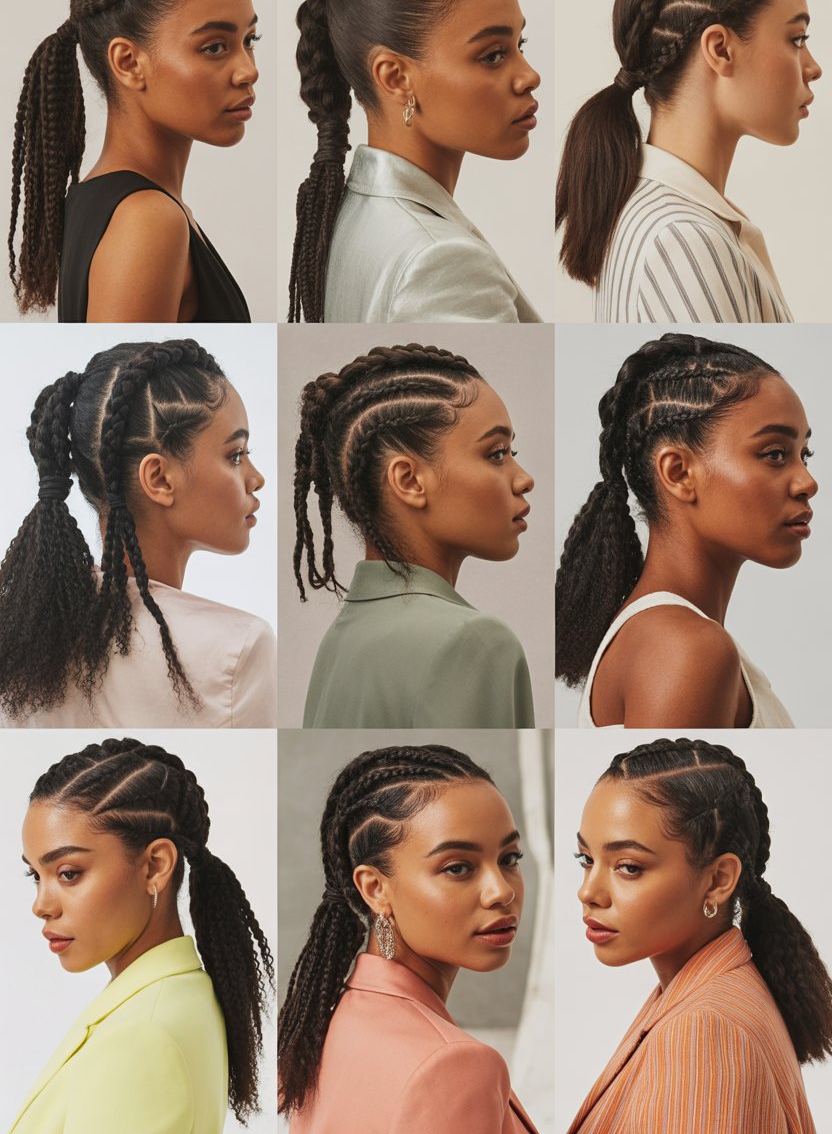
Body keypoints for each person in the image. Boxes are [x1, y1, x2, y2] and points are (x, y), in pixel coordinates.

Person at [0, 338, 275, 728]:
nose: (256, 478)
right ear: (159, 478)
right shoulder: (239, 649)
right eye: (235, 455)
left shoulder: (20, 627)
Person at [556, 0, 822, 322]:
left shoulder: (666, 218)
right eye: (796, 39)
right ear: (720, 49)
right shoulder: (684, 238)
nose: (813, 67)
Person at [10, 737, 274, 1134]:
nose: (41, 905)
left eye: (68, 873)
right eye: (36, 875)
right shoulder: (173, 1000)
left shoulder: (142, 1035)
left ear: (155, 866)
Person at [570, 737, 831, 1132]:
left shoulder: (705, 1030)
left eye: (628, 866)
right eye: (587, 860)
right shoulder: (701, 996)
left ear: (718, 880)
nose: (588, 892)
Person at [556, 333, 816, 728]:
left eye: (804, 455)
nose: (807, 483)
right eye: (775, 454)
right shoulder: (685, 649)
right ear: (678, 473)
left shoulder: (674, 638)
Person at [279, 743, 539, 1132]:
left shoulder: (324, 1024)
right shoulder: (454, 1065)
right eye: (458, 867)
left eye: (509, 858)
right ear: (375, 889)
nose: (501, 891)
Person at [289, 0, 541, 323]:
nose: (528, 76)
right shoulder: (441, 261)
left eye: (519, 46)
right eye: (492, 55)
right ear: (395, 78)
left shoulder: (348, 214)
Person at [9, 0, 257, 322]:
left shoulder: (106, 200)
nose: (248, 70)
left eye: (250, 40)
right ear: (128, 63)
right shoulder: (148, 219)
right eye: (214, 47)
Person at [294, 343, 535, 728]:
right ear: (409, 480)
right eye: (497, 453)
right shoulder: (475, 641)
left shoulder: (341, 639)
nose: (524, 479)